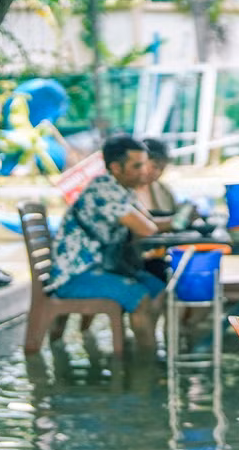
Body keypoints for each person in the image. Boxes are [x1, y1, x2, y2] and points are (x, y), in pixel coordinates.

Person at [48, 135, 174, 349]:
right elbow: (146, 228)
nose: (144, 171)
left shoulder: (122, 189)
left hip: (100, 267)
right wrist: (179, 220)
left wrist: (171, 221)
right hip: (76, 274)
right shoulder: (104, 190)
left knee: (159, 288)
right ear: (116, 167)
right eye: (137, 166)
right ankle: (145, 368)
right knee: (141, 297)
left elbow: (149, 222)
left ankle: (144, 351)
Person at [135, 137, 177, 215]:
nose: (157, 173)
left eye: (162, 169)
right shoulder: (122, 191)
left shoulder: (164, 190)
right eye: (154, 167)